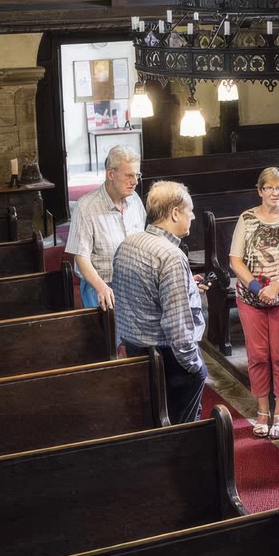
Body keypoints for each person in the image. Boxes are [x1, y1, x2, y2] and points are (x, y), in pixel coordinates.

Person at [112, 180, 208, 425]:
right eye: (190, 211)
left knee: (149, 422)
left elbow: (133, 297)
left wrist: (187, 286)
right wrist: (195, 367)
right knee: (181, 432)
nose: (193, 217)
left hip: (135, 350)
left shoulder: (129, 243)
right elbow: (177, 327)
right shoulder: (171, 256)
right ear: (175, 212)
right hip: (168, 359)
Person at [229, 167, 279, 440]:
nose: (275, 193)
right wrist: (256, 286)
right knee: (258, 355)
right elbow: (235, 260)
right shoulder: (247, 218)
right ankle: (262, 410)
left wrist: (278, 285)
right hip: (251, 297)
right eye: (270, 188)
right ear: (259, 190)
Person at [66, 145, 146, 310]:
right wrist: (101, 287)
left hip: (135, 282)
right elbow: (81, 257)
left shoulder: (135, 200)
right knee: (111, 332)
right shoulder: (86, 207)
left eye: (137, 175)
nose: (135, 182)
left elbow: (145, 242)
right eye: (129, 175)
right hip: (101, 284)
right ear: (111, 174)